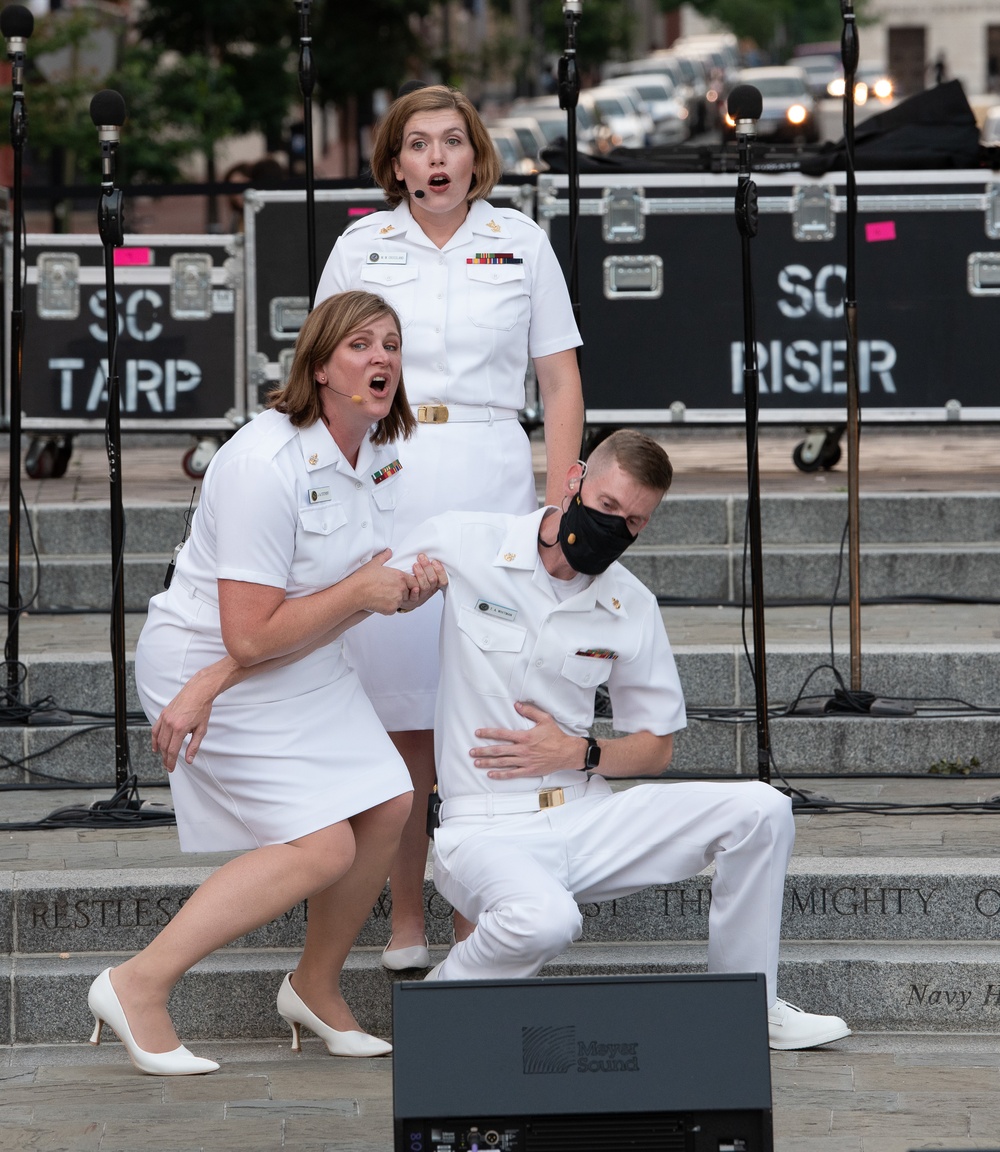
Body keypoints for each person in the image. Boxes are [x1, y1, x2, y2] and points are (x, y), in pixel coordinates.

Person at [388, 429, 852, 1051]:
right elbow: (367, 589)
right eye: (608, 507)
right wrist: (408, 588)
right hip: (484, 826)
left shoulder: (629, 603)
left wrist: (579, 752)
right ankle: (440, 1006)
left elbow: (656, 748)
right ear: (576, 478)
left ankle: (750, 1004)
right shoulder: (467, 541)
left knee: (762, 809)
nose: (616, 528)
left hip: (587, 815)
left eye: (634, 522)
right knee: (546, 920)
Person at [86, 290, 446, 1076]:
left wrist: (391, 592)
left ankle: (315, 987)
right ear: (319, 366)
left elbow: (328, 600)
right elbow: (247, 630)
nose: (381, 357)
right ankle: (135, 984)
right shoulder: (262, 463)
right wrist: (355, 596)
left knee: (389, 802)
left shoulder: (378, 454)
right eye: (359, 344)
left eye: (391, 342)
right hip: (206, 660)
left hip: (288, 661)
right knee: (320, 848)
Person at [314, 83, 585, 970]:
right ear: (395, 162)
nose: (437, 159)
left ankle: (477, 915)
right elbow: (325, 369)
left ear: (477, 156)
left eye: (453, 142)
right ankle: (402, 921)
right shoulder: (362, 243)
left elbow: (559, 383)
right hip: (388, 472)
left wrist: (556, 503)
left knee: (479, 705)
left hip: (492, 476)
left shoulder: (521, 241)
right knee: (400, 718)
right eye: (419, 145)